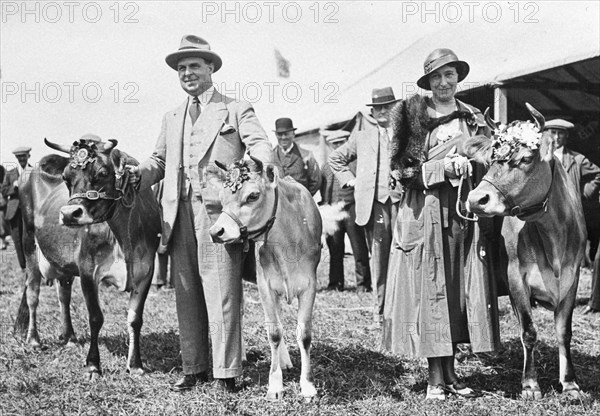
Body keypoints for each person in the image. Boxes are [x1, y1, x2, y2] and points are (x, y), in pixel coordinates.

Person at [128, 35, 272, 392]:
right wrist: (137, 174)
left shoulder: (235, 108)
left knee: (222, 291)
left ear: (211, 68)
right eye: (181, 68)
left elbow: (260, 145)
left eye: (194, 65)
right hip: (177, 215)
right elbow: (159, 161)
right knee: (187, 292)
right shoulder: (172, 115)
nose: (187, 73)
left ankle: (226, 373)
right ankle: (194, 368)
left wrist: (262, 165)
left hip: (220, 215)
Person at [382, 48, 502, 400]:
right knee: (432, 290)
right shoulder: (410, 115)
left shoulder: (474, 117)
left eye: (449, 75)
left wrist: (474, 165)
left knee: (456, 290)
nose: (444, 82)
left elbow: (490, 161)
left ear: (458, 77)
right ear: (428, 81)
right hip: (425, 212)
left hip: (464, 214)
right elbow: (401, 172)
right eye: (436, 77)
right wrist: (443, 169)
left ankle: (451, 373)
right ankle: (434, 377)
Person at [328, 87, 403, 326]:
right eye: (377, 108)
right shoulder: (361, 137)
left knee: (405, 258)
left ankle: (405, 313)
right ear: (372, 111)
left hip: (404, 206)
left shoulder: (407, 135)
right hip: (376, 208)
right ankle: (380, 315)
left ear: (395, 108)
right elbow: (335, 159)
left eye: (387, 107)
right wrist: (350, 180)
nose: (382, 112)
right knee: (379, 261)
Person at [320, 130, 371, 292]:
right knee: (335, 248)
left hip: (352, 208)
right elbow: (322, 186)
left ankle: (363, 284)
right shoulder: (327, 166)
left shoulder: (356, 163)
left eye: (340, 143)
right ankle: (335, 283)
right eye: (334, 144)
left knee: (358, 247)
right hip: (333, 211)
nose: (337, 147)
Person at [546, 119, 600, 268]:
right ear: (546, 135)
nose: (556, 138)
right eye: (553, 133)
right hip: (545, 211)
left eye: (560, 133)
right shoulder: (539, 158)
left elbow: (598, 174)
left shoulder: (577, 159)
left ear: (566, 136)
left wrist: (584, 192)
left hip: (568, 213)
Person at [1, 146, 33, 269]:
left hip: (30, 211)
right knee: (18, 241)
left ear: (28, 156)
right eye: (19, 157)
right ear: (16, 158)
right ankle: (24, 267)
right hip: (14, 212)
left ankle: (34, 268)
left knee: (31, 240)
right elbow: (3, 190)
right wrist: (13, 187)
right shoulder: (10, 173)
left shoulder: (34, 172)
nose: (21, 159)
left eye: (23, 156)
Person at [272, 117, 321, 196]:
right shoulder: (270, 156)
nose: (283, 137)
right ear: (276, 135)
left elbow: (316, 180)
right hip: (280, 204)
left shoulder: (306, 155)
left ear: (293, 134)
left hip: (301, 202)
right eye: (280, 134)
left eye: (286, 133)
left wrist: (305, 196)